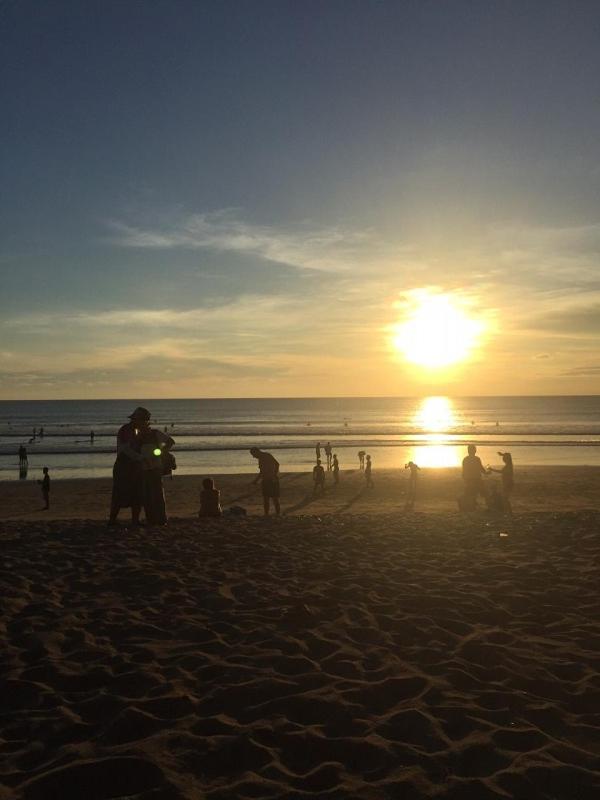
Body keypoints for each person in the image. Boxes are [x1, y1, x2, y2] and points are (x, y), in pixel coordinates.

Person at [108, 407, 146, 526]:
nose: (145, 422)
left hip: (135, 466)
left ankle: (135, 520)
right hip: (124, 465)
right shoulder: (126, 429)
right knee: (120, 492)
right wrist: (140, 458)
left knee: (137, 492)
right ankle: (112, 519)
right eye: (144, 420)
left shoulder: (138, 430)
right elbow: (125, 449)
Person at [139, 421, 175, 526]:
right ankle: (150, 519)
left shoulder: (156, 433)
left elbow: (170, 441)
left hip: (155, 467)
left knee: (157, 494)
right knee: (147, 495)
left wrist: (161, 451)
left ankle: (161, 518)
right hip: (143, 468)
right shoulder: (138, 436)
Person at [250, 447, 280, 515]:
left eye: (253, 454)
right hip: (266, 480)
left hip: (270, 480)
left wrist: (274, 475)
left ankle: (271, 514)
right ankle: (268, 514)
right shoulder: (264, 457)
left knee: (272, 498)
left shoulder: (266, 456)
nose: (253, 457)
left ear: (257, 452)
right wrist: (256, 480)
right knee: (269, 498)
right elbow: (262, 471)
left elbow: (277, 464)